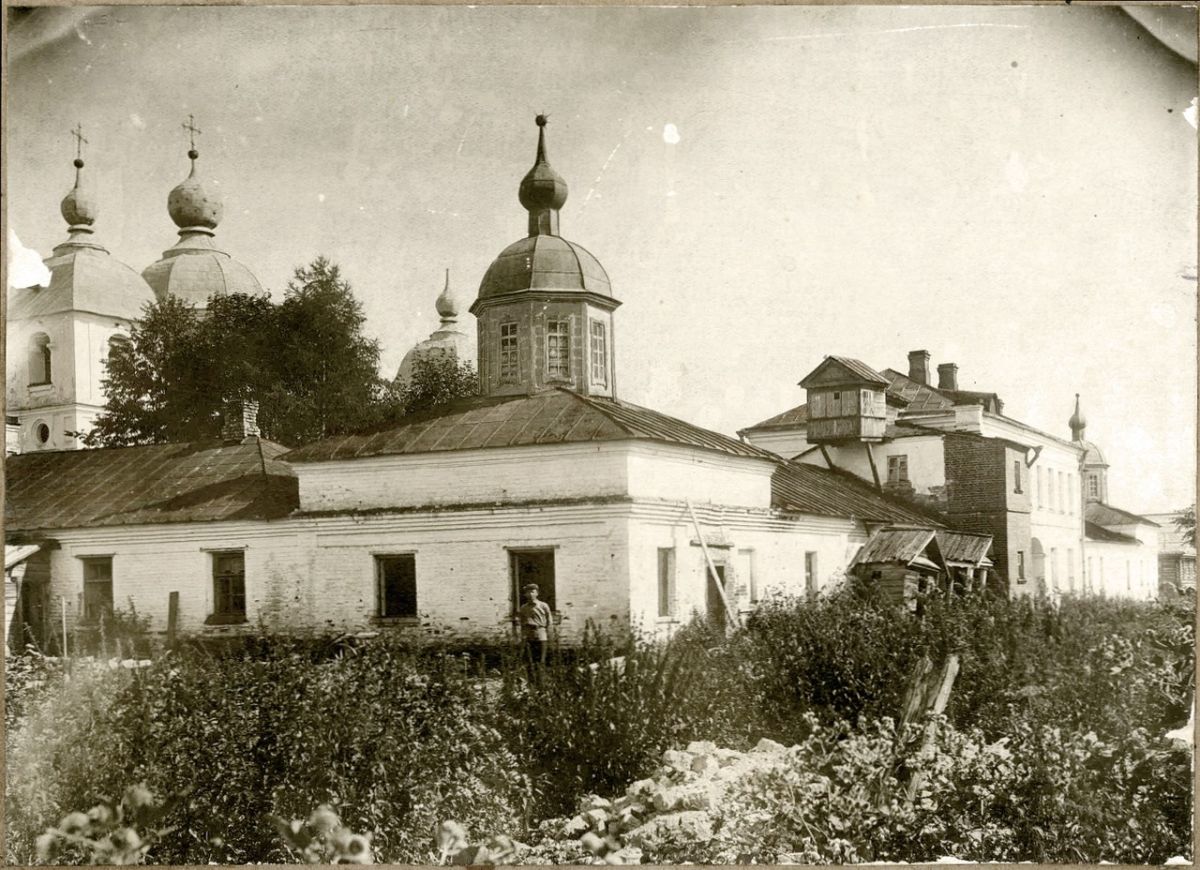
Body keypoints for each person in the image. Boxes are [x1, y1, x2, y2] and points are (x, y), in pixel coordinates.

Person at [517, 583, 552, 683]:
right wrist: (523, 637)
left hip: (541, 635)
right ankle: (531, 684)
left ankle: (541, 685)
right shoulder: (523, 608)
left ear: (537, 593)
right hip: (528, 636)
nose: (530, 594)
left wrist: (549, 636)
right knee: (529, 661)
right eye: (528, 592)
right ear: (525, 595)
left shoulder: (543, 605)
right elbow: (522, 624)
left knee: (540, 662)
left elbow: (549, 622)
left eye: (532, 592)